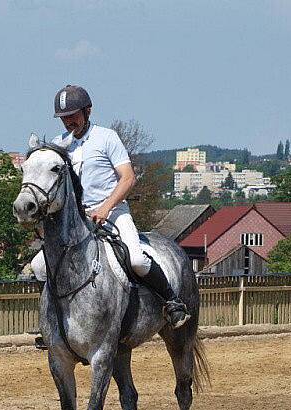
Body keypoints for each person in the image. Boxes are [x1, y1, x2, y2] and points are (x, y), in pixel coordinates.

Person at [30, 84, 190, 329]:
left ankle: (172, 301)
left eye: (72, 116)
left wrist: (106, 208)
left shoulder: (107, 138)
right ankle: (54, 325)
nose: (68, 122)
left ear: (88, 111)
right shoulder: (58, 145)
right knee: (40, 265)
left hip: (113, 212)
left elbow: (128, 178)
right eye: (63, 118)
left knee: (136, 259)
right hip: (77, 220)